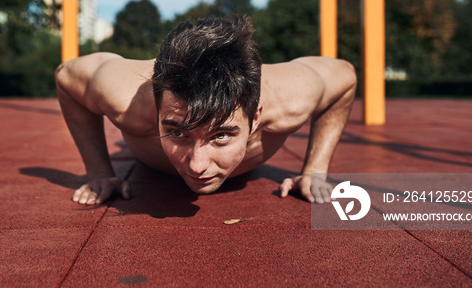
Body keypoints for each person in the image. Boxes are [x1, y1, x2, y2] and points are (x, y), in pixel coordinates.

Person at [55, 16, 357, 205]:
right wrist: (98, 172)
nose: (197, 166)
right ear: (157, 108)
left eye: (221, 136)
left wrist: (315, 170)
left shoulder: (291, 98)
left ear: (256, 117)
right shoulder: (127, 99)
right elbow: (66, 75)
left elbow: (344, 76)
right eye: (177, 132)